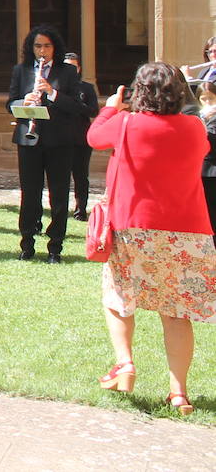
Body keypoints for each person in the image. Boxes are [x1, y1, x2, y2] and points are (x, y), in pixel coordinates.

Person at [89, 62, 215, 416]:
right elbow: (201, 150)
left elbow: (95, 137)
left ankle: (125, 364)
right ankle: (179, 394)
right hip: (187, 230)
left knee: (118, 297)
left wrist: (113, 104)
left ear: (138, 91)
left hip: (135, 227)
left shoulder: (126, 124)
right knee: (177, 313)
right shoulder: (194, 127)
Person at [8, 25, 86, 263]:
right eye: (37, 46)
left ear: (55, 48)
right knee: (29, 194)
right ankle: (27, 243)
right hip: (29, 139)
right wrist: (25, 101)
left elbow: (76, 107)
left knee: (58, 195)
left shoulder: (68, 73)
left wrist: (51, 93)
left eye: (47, 46)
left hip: (59, 141)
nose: (42, 51)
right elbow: (9, 103)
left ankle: (55, 247)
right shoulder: (21, 71)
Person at [64, 51, 101, 220]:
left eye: (73, 66)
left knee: (80, 175)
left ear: (78, 68)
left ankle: (81, 210)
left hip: (81, 138)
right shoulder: (56, 88)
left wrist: (77, 106)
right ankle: (60, 209)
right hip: (61, 138)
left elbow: (94, 111)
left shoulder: (86, 88)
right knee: (59, 177)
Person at [197, 81, 216, 247]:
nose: (208, 103)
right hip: (202, 171)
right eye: (204, 99)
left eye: (211, 98)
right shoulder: (198, 117)